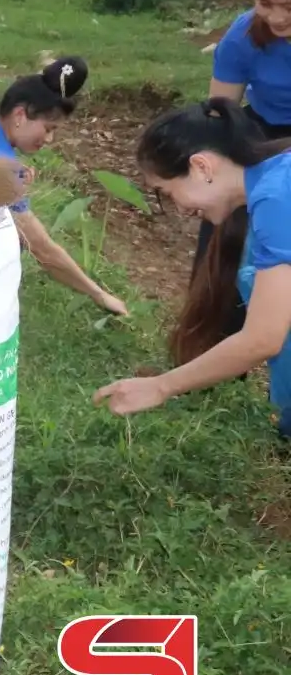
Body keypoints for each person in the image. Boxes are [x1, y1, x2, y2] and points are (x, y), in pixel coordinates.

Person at [95, 98, 291, 441]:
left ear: (201, 167)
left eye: (167, 193)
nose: (179, 208)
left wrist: (161, 386)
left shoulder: (276, 197)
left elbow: (263, 338)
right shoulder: (274, 181)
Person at [0, 58, 127, 315]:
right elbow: (42, 248)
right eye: (48, 128)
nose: (49, 139)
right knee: (13, 235)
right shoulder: (2, 166)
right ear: (20, 115)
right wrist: (99, 295)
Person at [192, 0, 291, 338]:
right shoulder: (243, 35)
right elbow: (220, 113)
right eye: (265, 3)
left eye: (289, 8)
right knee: (222, 227)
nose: (275, 17)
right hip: (257, 131)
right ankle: (210, 343)